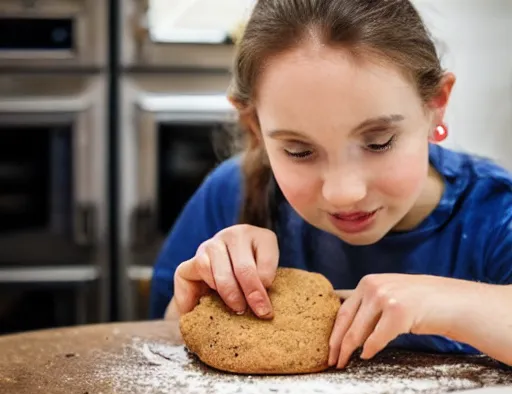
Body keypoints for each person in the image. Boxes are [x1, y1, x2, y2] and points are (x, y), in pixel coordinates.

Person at [149, 0, 512, 368]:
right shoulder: (230, 195)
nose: (344, 193)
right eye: (299, 150)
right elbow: (152, 352)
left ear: (436, 103)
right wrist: (195, 297)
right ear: (256, 125)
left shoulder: (497, 215)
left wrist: (448, 304)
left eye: (378, 142)